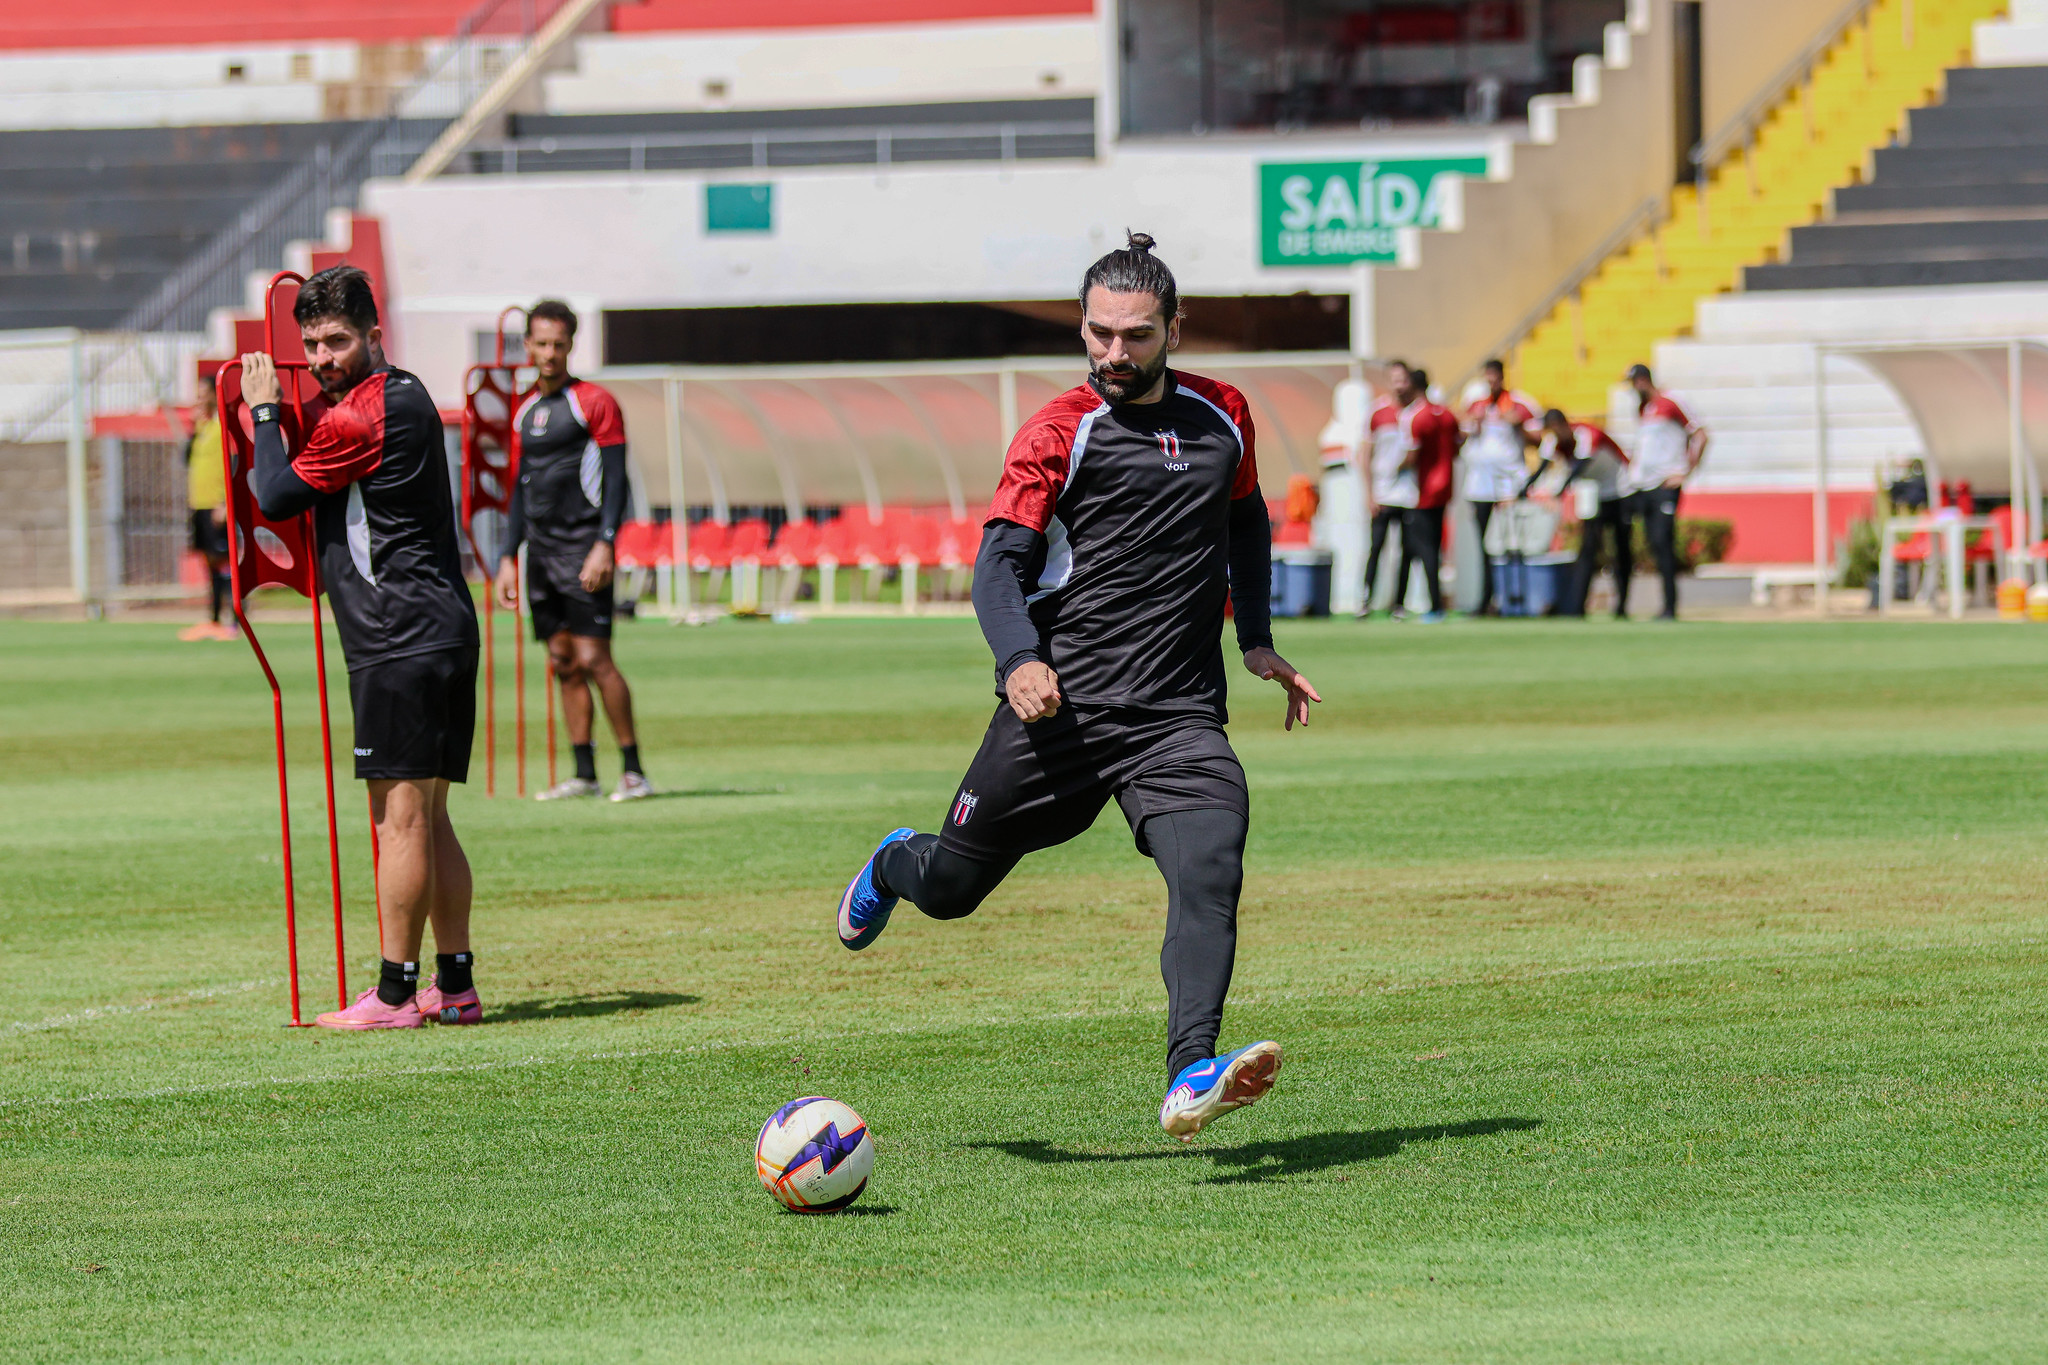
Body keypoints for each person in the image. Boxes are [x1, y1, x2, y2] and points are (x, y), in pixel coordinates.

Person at [833, 233, 1321, 1142]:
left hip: (1176, 718)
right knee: (951, 889)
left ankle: (1190, 1071)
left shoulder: (1226, 414)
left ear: (1175, 329)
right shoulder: (1058, 431)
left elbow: (1248, 519)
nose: (1113, 353)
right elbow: (998, 568)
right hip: (1061, 712)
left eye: (1136, 336)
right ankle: (896, 860)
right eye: (1099, 333)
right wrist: (1020, 660)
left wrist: (1255, 639)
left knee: (1210, 871)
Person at [242, 264, 483, 1030]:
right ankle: (454, 985)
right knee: (431, 818)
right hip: (438, 627)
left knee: (399, 822)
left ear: (375, 334)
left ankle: (394, 993)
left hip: (396, 637)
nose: (322, 358)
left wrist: (264, 412)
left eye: (337, 341)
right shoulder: (405, 394)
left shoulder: (365, 412)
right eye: (311, 344)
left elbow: (274, 493)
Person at [493, 300, 649, 802]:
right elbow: (520, 488)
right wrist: (507, 557)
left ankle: (634, 772)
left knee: (595, 657)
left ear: (571, 346)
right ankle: (584, 774)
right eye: (541, 343)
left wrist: (605, 544)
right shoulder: (523, 409)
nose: (549, 353)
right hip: (540, 555)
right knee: (562, 659)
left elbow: (616, 480)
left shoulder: (594, 402)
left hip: (584, 548)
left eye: (558, 344)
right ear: (527, 345)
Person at [1622, 364, 1708, 620]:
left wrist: (1687, 471)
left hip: (1664, 485)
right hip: (1645, 485)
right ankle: (1664, 606)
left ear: (1642, 380)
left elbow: (1700, 435)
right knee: (1653, 544)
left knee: (1663, 541)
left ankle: (1670, 606)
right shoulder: (1643, 409)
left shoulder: (1671, 402)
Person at [1459, 359, 1541, 615]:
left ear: (1502, 377)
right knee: (1485, 545)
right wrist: (1472, 423)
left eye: (1495, 376)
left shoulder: (1519, 403)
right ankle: (1487, 599)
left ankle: (1515, 599)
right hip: (1480, 484)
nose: (1491, 381)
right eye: (1488, 377)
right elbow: (1459, 438)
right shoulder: (1476, 405)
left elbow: (1538, 439)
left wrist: (1517, 424)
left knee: (1511, 542)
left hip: (1508, 485)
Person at [1539, 409, 1633, 618]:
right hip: (1595, 490)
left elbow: (1580, 465)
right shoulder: (1553, 440)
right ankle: (1577, 607)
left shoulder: (1586, 433)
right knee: (1588, 548)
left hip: (1621, 489)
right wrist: (1524, 489)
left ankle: (1622, 607)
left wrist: (1558, 493)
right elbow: (1542, 466)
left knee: (1621, 549)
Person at [1387, 366, 1461, 623]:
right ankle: (1404, 603)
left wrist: (1393, 470)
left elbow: (1411, 455)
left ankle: (1434, 606)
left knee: (1424, 548)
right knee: (1427, 546)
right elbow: (1457, 445)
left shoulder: (1415, 416)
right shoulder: (1447, 414)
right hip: (1445, 487)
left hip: (1421, 491)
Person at [179, 372, 235, 641]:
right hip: (199, 504)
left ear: (215, 394)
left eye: (204, 394)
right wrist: (192, 428)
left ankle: (235, 620)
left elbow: (232, 464)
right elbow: (187, 459)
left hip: (217, 505)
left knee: (225, 562)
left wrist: (224, 502)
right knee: (210, 562)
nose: (199, 399)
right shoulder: (201, 427)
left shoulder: (223, 425)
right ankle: (214, 619)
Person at [1359, 362, 1415, 618]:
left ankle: (1399, 603)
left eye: (1403, 379)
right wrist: (1369, 493)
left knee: (1406, 550)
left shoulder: (1416, 412)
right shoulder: (1378, 412)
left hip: (1408, 493)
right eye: (1395, 379)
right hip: (1382, 492)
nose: (1399, 385)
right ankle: (1366, 599)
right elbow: (1365, 455)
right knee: (1376, 548)